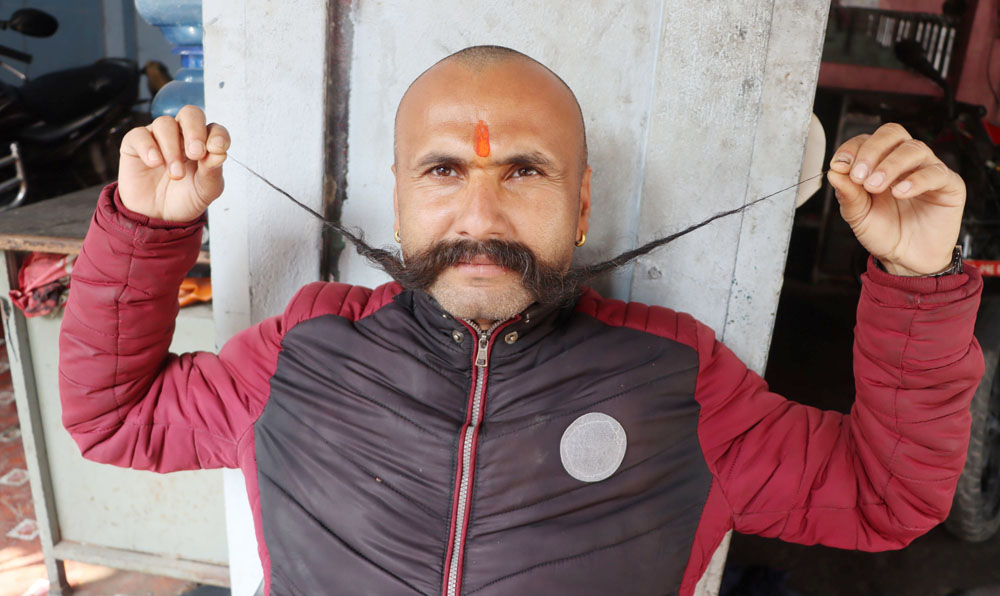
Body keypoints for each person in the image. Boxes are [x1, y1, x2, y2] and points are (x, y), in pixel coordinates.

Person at [58, 46, 984, 596]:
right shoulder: (300, 353)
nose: (481, 216)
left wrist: (917, 278)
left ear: (580, 207)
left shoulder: (677, 380)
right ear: (400, 197)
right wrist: (147, 228)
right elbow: (114, 416)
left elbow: (886, 496)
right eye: (444, 170)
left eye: (525, 172)